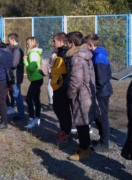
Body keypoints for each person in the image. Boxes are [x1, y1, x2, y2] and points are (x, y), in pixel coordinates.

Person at [66, 31, 96, 161]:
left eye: (68, 43)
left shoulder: (77, 57)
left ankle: (84, 150)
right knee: (83, 121)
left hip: (81, 94)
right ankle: (85, 146)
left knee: (81, 122)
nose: (67, 46)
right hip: (87, 92)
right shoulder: (86, 55)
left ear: (72, 43)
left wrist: (70, 93)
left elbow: (76, 80)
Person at [85, 34, 113, 152]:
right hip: (100, 91)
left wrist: (94, 90)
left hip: (101, 92)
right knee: (98, 116)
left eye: (85, 45)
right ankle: (102, 139)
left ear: (90, 45)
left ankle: (105, 143)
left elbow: (101, 78)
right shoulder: (96, 54)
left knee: (102, 117)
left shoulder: (99, 57)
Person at [50, 32, 72, 142]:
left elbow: (68, 71)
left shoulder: (66, 54)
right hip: (56, 86)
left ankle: (67, 132)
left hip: (63, 87)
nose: (53, 43)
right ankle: (62, 129)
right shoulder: (58, 53)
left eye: (54, 41)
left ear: (61, 41)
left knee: (64, 110)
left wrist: (65, 84)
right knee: (57, 108)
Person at [23, 37, 43, 128]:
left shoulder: (33, 54)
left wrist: (25, 61)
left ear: (31, 44)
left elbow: (31, 68)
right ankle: (37, 118)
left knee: (28, 99)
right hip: (37, 78)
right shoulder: (34, 53)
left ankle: (31, 119)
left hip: (36, 79)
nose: (26, 45)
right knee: (36, 99)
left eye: (27, 43)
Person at [8, 33, 25, 121]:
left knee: (17, 95)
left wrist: (7, 65)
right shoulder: (15, 49)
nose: (9, 42)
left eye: (9, 40)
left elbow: (14, 64)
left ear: (13, 40)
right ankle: (20, 113)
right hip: (15, 75)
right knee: (16, 94)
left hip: (15, 76)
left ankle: (21, 114)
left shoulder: (17, 50)